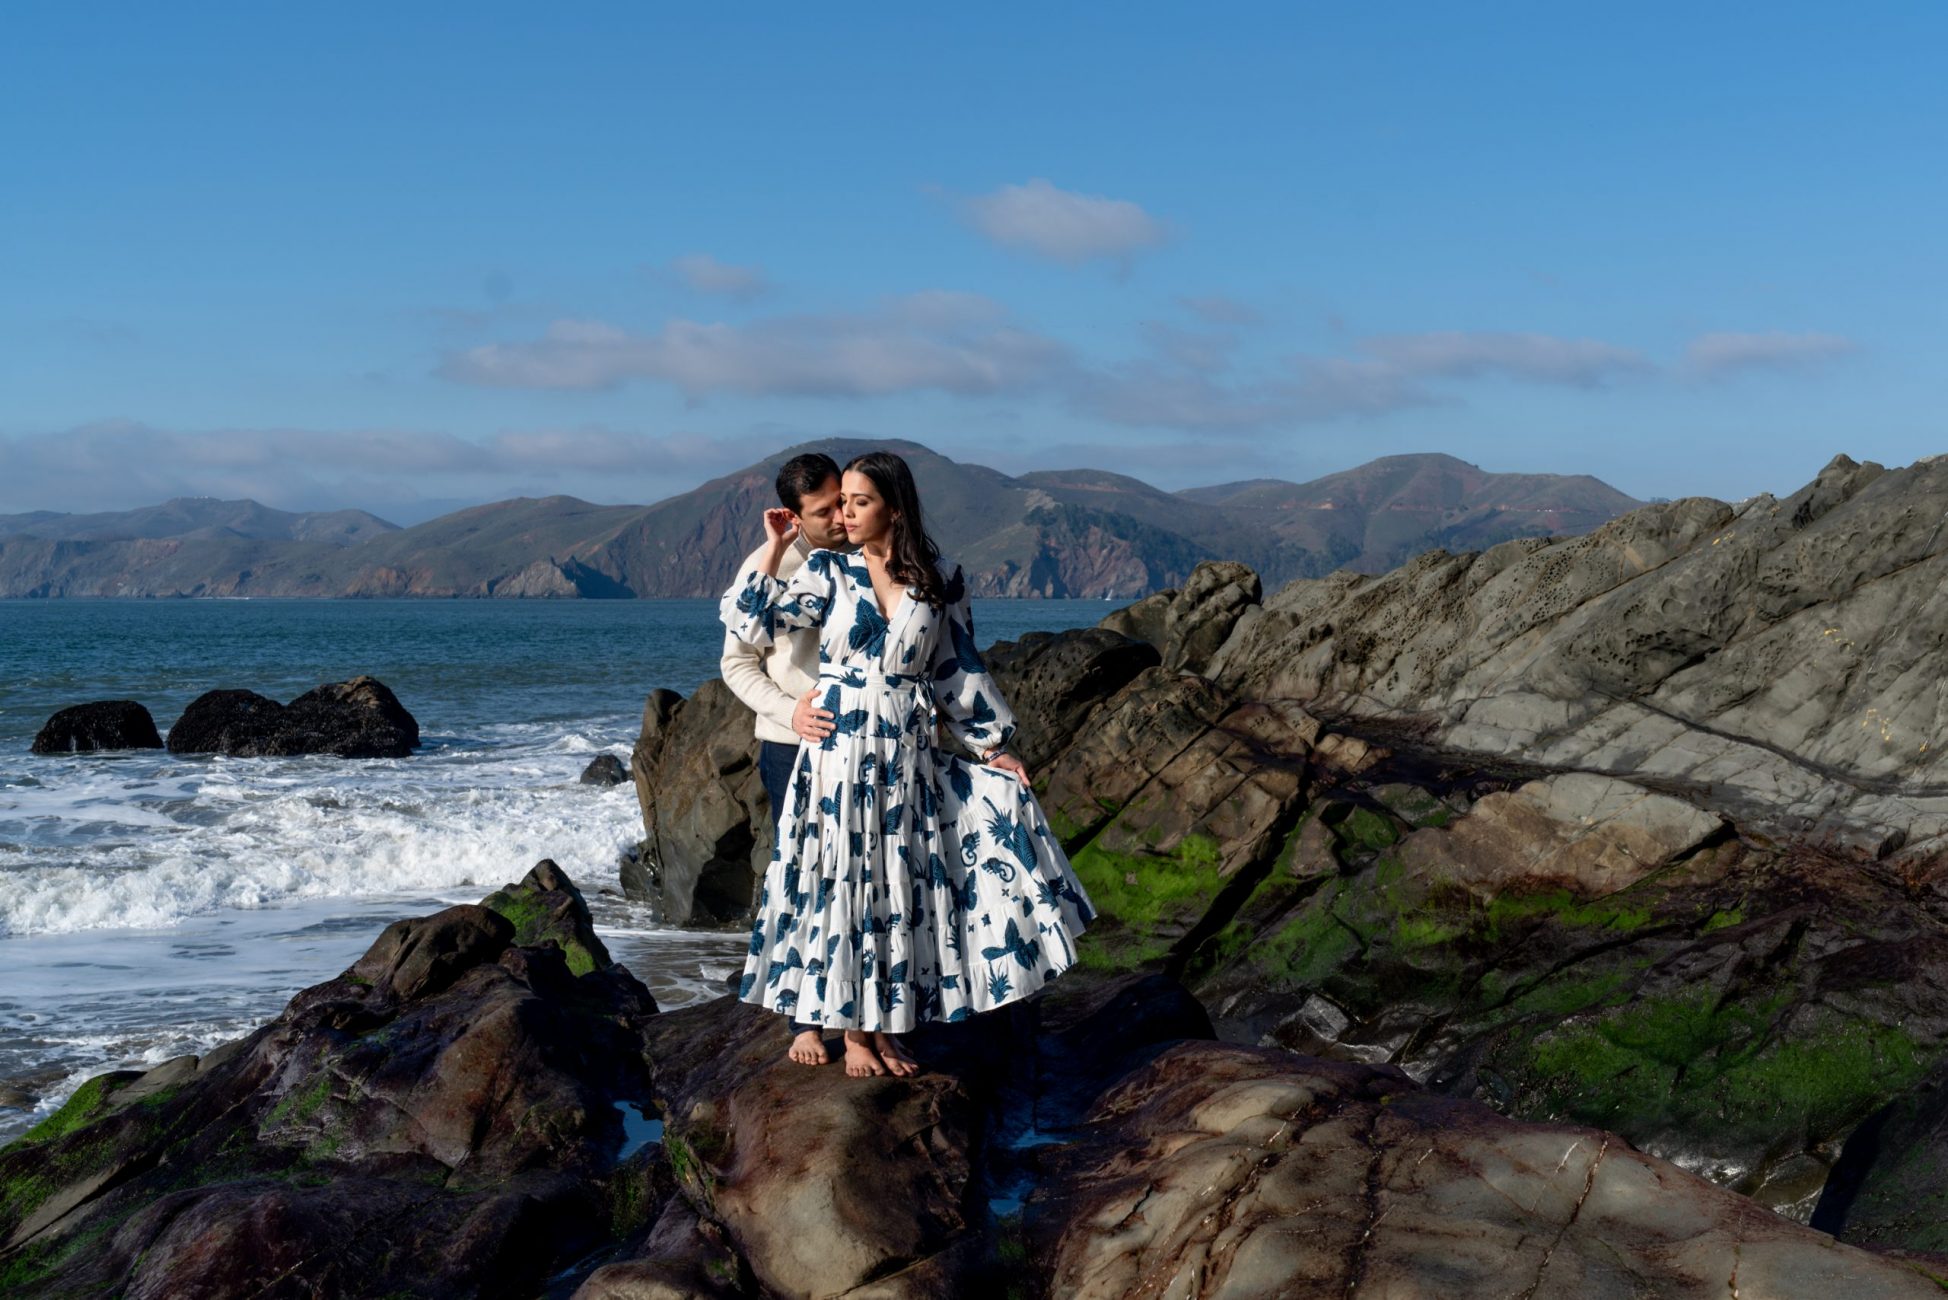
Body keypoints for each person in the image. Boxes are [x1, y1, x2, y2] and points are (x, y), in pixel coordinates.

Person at [720, 450, 1095, 1078]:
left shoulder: (940, 577)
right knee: (843, 882)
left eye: (858, 502)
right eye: (841, 503)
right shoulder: (827, 569)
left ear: (894, 508)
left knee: (897, 886)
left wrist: (991, 745)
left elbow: (957, 668)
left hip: (904, 750)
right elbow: (748, 623)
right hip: (838, 751)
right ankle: (853, 1032)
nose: (845, 514)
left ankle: (889, 1025)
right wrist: (774, 545)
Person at [719, 451, 851, 1067]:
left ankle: (867, 1017)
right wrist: (789, 711)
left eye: (843, 502)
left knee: (866, 876)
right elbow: (736, 662)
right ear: (794, 517)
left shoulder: (866, 553)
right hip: (790, 744)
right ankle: (804, 1021)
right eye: (824, 512)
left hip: (865, 744)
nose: (840, 518)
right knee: (802, 875)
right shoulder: (769, 566)